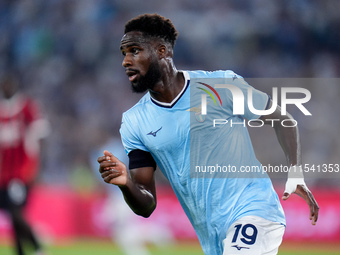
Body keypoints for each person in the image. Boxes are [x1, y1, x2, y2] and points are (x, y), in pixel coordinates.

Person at [97, 13, 319, 255]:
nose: (126, 61)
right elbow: (147, 204)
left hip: (255, 210)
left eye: (134, 51)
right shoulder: (134, 122)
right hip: (211, 236)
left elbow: (283, 121)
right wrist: (126, 183)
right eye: (124, 54)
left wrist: (295, 173)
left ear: (162, 51)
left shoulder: (221, 85)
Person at [0, 74, 49, 255]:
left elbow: (41, 132)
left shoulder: (26, 107)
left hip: (21, 171)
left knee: (16, 212)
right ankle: (20, 251)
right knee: (12, 215)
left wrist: (37, 166)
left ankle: (38, 249)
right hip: (3, 174)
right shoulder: (1, 110)